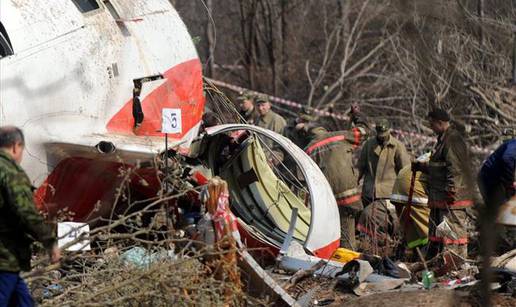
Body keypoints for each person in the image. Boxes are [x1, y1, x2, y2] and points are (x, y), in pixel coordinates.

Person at [0, 126, 61, 306]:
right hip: (5, 257)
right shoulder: (11, 173)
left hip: (9, 263)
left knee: (24, 302)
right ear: (15, 147)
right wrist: (50, 241)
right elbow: (26, 212)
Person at [413, 109, 475, 258]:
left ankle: (456, 264)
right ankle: (442, 262)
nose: (431, 127)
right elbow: (439, 167)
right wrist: (422, 167)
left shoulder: (452, 140)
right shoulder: (443, 139)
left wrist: (451, 190)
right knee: (440, 231)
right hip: (440, 195)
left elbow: (455, 168)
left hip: (452, 197)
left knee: (453, 232)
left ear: (440, 123)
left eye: (432, 124)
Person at [302, 109, 369, 249]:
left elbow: (304, 180)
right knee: (347, 230)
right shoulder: (339, 137)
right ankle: (348, 260)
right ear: (324, 131)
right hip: (349, 195)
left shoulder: (307, 150)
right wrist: (358, 117)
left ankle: (332, 259)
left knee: (329, 234)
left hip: (327, 199)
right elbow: (363, 132)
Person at [357, 119, 411, 206]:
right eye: (380, 135)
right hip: (369, 193)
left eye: (384, 134)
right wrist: (352, 184)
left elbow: (406, 171)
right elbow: (360, 168)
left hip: (388, 195)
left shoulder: (397, 146)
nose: (382, 137)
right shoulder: (368, 145)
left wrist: (406, 193)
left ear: (389, 130)